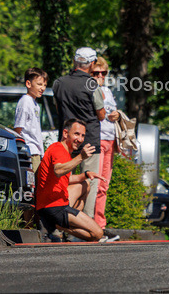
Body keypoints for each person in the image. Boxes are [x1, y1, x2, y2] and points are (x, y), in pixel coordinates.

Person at [52, 47, 106, 218]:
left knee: (64, 181)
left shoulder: (59, 83)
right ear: (92, 64)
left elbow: (57, 109)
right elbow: (101, 114)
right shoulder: (92, 84)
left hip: (66, 139)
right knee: (89, 181)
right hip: (89, 139)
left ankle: (61, 220)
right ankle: (86, 221)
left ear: (75, 61)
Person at [35, 118, 105, 242]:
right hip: (53, 206)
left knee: (85, 184)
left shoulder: (63, 150)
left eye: (83, 135)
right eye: (76, 134)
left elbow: (65, 179)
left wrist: (86, 175)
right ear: (65, 133)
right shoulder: (58, 150)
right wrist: (81, 157)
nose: (80, 139)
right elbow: (58, 171)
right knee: (98, 234)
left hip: (52, 202)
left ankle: (67, 223)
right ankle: (60, 226)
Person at [91, 56, 121, 237]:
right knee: (94, 183)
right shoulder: (89, 89)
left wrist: (116, 114)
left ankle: (100, 224)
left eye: (104, 73)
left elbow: (112, 111)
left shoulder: (108, 91)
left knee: (104, 185)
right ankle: (91, 224)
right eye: (97, 73)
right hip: (98, 138)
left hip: (110, 139)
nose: (101, 76)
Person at [13, 67, 48, 172]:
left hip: (37, 152)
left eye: (45, 85)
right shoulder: (25, 101)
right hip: (30, 151)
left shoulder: (35, 104)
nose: (42, 88)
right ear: (28, 84)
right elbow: (18, 129)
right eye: (39, 84)